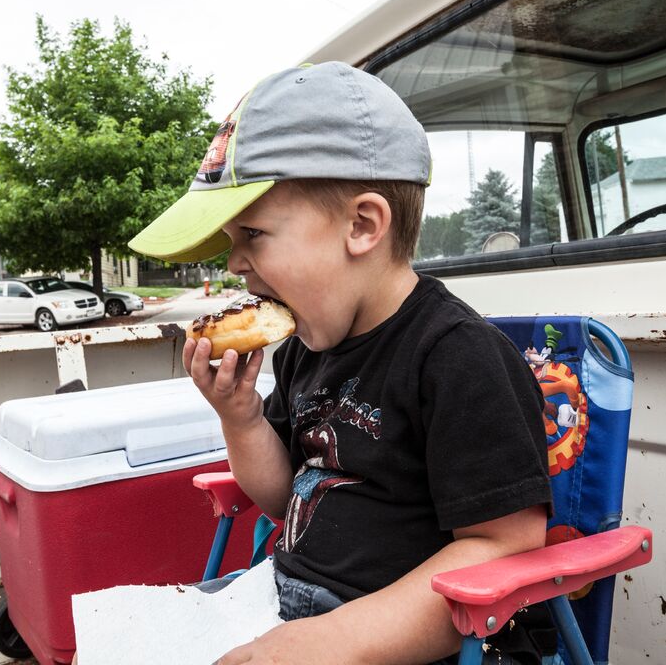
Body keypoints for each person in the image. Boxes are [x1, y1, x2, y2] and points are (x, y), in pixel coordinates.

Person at [123, 62, 552, 665]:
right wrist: (241, 419)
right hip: (285, 600)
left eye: (252, 234)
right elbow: (283, 501)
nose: (235, 265)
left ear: (362, 225)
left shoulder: (457, 356)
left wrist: (331, 641)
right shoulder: (304, 351)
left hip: (398, 636)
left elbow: (504, 546)